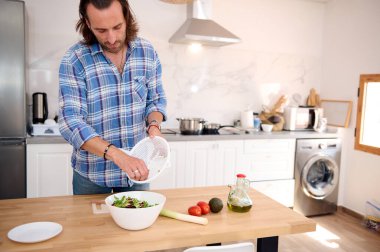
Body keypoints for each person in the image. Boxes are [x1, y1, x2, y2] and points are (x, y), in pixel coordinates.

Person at [58, 0, 167, 195]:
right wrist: (119, 156)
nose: (111, 38)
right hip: (92, 177)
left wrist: (154, 126)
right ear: (88, 23)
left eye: (117, 27)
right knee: (93, 227)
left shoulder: (146, 52)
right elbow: (71, 122)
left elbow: (156, 100)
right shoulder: (74, 60)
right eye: (101, 30)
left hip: (138, 174)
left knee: (138, 224)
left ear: (127, 16)